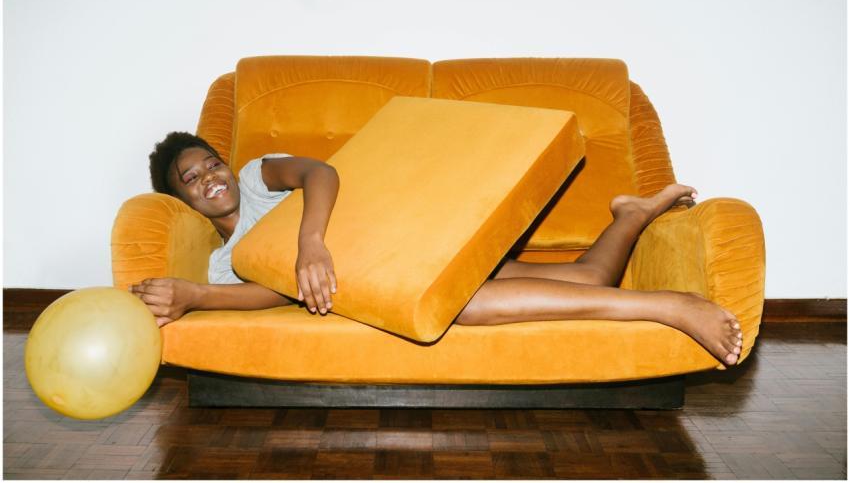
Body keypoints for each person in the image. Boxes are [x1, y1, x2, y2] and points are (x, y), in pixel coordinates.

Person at [131, 132, 744, 366]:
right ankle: (632, 214)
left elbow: (322, 172)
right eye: (192, 179)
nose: (211, 176)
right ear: (181, 200)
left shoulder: (260, 174)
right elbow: (267, 293)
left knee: (462, 302)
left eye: (211, 162)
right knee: (587, 281)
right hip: (391, 278)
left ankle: (669, 306)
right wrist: (194, 294)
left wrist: (310, 241)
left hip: (412, 234)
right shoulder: (223, 262)